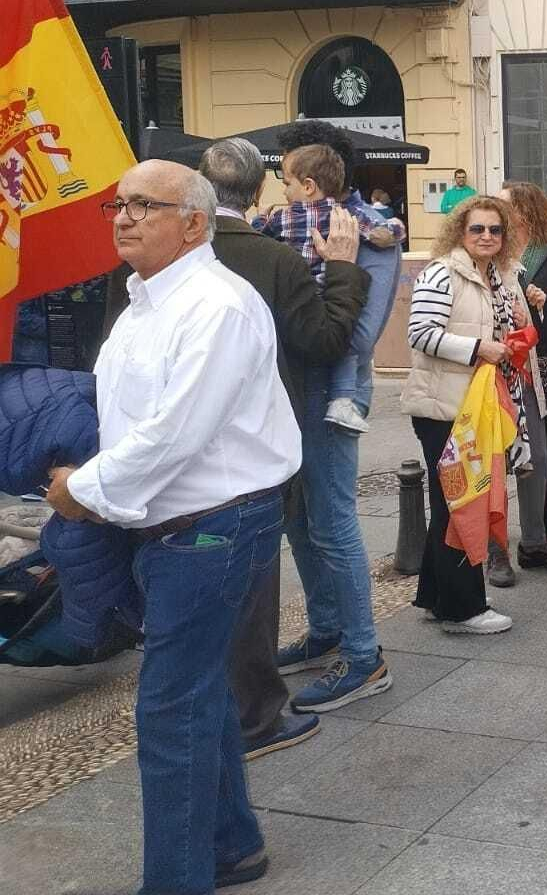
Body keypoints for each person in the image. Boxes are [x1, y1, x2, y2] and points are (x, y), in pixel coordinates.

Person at [46, 160, 299, 894]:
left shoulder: (215, 305)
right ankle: (232, 845)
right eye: (116, 204)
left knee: (168, 711)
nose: (123, 217)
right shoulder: (145, 303)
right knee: (197, 691)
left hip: (210, 529)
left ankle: (176, 880)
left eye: (143, 205)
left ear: (194, 222)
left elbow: (173, 434)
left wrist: (82, 491)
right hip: (174, 528)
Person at [194, 139, 372, 754]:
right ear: (262, 190)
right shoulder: (273, 257)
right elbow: (326, 338)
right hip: (266, 430)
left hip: (190, 442)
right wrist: (344, 272)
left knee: (287, 536)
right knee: (263, 554)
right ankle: (265, 702)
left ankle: (331, 643)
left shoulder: (169, 257)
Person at [268, 121, 400, 714]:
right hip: (291, 382)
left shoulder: (367, 234)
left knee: (333, 518)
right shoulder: (305, 225)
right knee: (298, 512)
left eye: (289, 171)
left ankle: (364, 654)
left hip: (330, 384)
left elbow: (360, 331)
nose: (283, 184)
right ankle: (325, 629)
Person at [403, 195, 532, 634]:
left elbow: (509, 330)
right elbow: (420, 334)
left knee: (450, 501)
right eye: (478, 229)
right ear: (460, 230)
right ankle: (463, 609)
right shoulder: (442, 273)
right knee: (461, 502)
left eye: (495, 230)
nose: (487, 237)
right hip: (445, 407)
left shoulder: (498, 276)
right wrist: (478, 349)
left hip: (476, 406)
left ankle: (439, 595)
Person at [258, 143, 399, 435]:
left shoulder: (283, 217)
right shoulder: (345, 217)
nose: (284, 192)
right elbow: (381, 231)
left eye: (287, 184)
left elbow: (258, 235)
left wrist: (260, 215)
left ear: (308, 186)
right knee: (343, 339)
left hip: (298, 298)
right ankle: (342, 401)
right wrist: (392, 231)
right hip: (332, 291)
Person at [492, 183, 547, 578]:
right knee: (498, 460)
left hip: (539, 363)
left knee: (539, 451)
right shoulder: (496, 253)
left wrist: (539, 310)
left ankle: (539, 532)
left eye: (504, 206)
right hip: (493, 368)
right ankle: (498, 547)